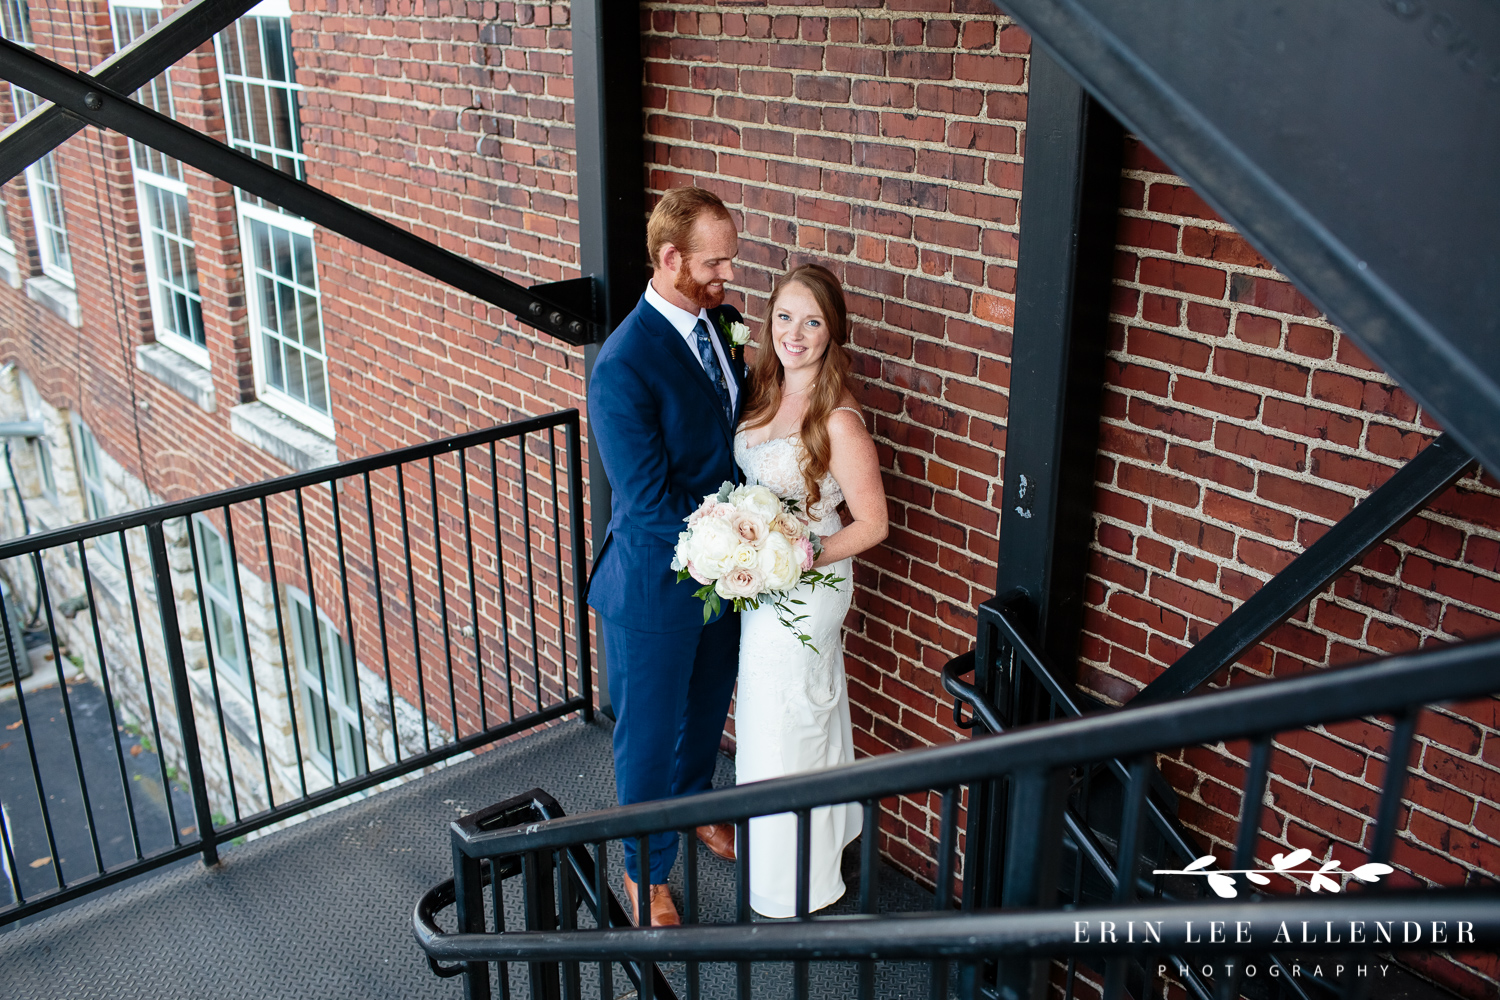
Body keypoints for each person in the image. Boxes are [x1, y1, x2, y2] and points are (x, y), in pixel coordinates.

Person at [586, 186, 747, 927]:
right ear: (670, 257)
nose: (726, 278)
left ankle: (692, 808)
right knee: (647, 740)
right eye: (715, 264)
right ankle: (644, 873)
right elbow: (647, 505)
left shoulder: (724, 326)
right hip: (654, 587)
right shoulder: (622, 365)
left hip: (725, 578)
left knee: (707, 711)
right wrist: (746, 533)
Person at [732, 263, 888, 917]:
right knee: (769, 720)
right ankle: (782, 853)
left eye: (813, 321)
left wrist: (799, 553)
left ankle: (798, 880)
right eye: (786, 317)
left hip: (809, 587)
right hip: (765, 584)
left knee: (789, 721)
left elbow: (874, 524)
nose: (796, 333)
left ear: (832, 333)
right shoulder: (763, 390)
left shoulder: (839, 420)